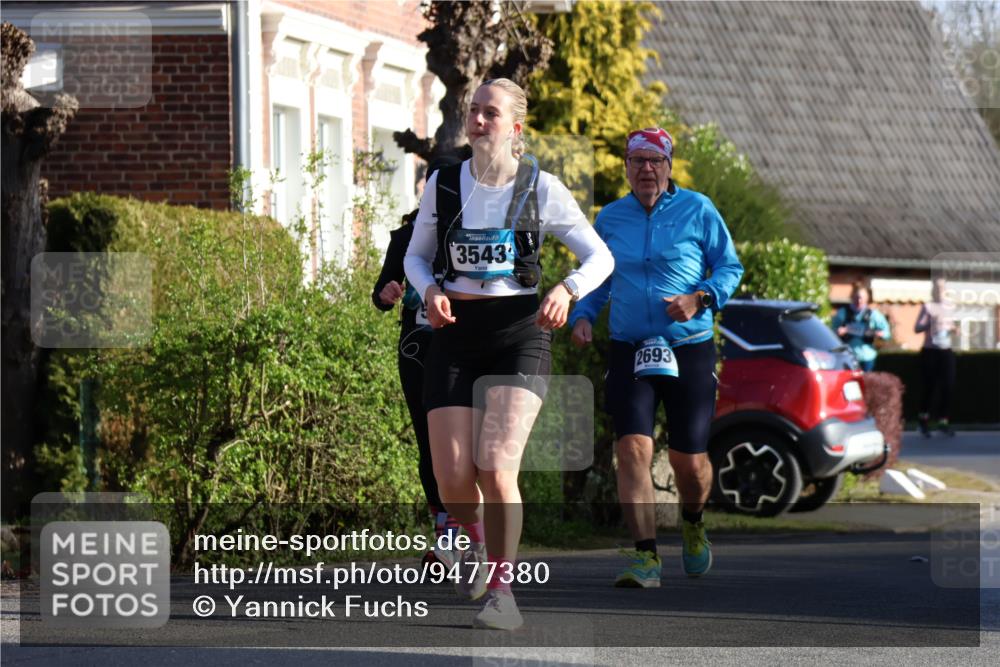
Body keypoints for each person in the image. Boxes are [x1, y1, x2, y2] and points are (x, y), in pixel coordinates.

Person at [404, 78, 613, 630]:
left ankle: (504, 594)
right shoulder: (443, 184)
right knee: (452, 480)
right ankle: (475, 542)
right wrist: (429, 291)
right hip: (455, 333)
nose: (477, 120)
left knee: (496, 466)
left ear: (515, 127)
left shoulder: (541, 188)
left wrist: (567, 290)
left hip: (520, 333)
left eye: (489, 113)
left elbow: (600, 257)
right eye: (472, 110)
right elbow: (416, 258)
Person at [569, 127, 743, 589]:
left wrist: (700, 297)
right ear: (626, 168)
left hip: (688, 346)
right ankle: (646, 556)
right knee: (632, 449)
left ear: (669, 167)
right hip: (630, 347)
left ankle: (692, 520)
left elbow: (730, 266)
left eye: (655, 161)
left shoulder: (698, 209)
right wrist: (583, 314)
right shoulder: (610, 218)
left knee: (689, 461)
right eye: (637, 161)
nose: (646, 169)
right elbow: (600, 276)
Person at [371, 160, 463, 569]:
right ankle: (446, 533)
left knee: (465, 441)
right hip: (418, 346)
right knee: (429, 441)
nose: (436, 197)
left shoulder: (470, 233)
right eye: (429, 189)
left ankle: (470, 530)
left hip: (465, 346)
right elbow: (381, 292)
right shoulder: (406, 235)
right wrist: (388, 291)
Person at [915, 277, 957, 437]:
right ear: (932, 290)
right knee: (929, 387)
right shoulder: (928, 306)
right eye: (937, 288)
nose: (939, 291)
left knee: (948, 386)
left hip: (946, 350)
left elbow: (950, 325)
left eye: (942, 288)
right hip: (930, 350)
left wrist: (954, 329)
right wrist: (930, 323)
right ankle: (923, 422)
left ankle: (943, 421)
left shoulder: (950, 306)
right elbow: (917, 328)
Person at [832, 281, 891, 372]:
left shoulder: (874, 315)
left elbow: (887, 333)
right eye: (856, 298)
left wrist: (879, 334)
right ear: (852, 297)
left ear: (867, 299)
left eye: (862, 298)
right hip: (848, 357)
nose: (859, 301)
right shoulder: (842, 313)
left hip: (867, 357)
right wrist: (838, 332)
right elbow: (831, 333)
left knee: (866, 383)